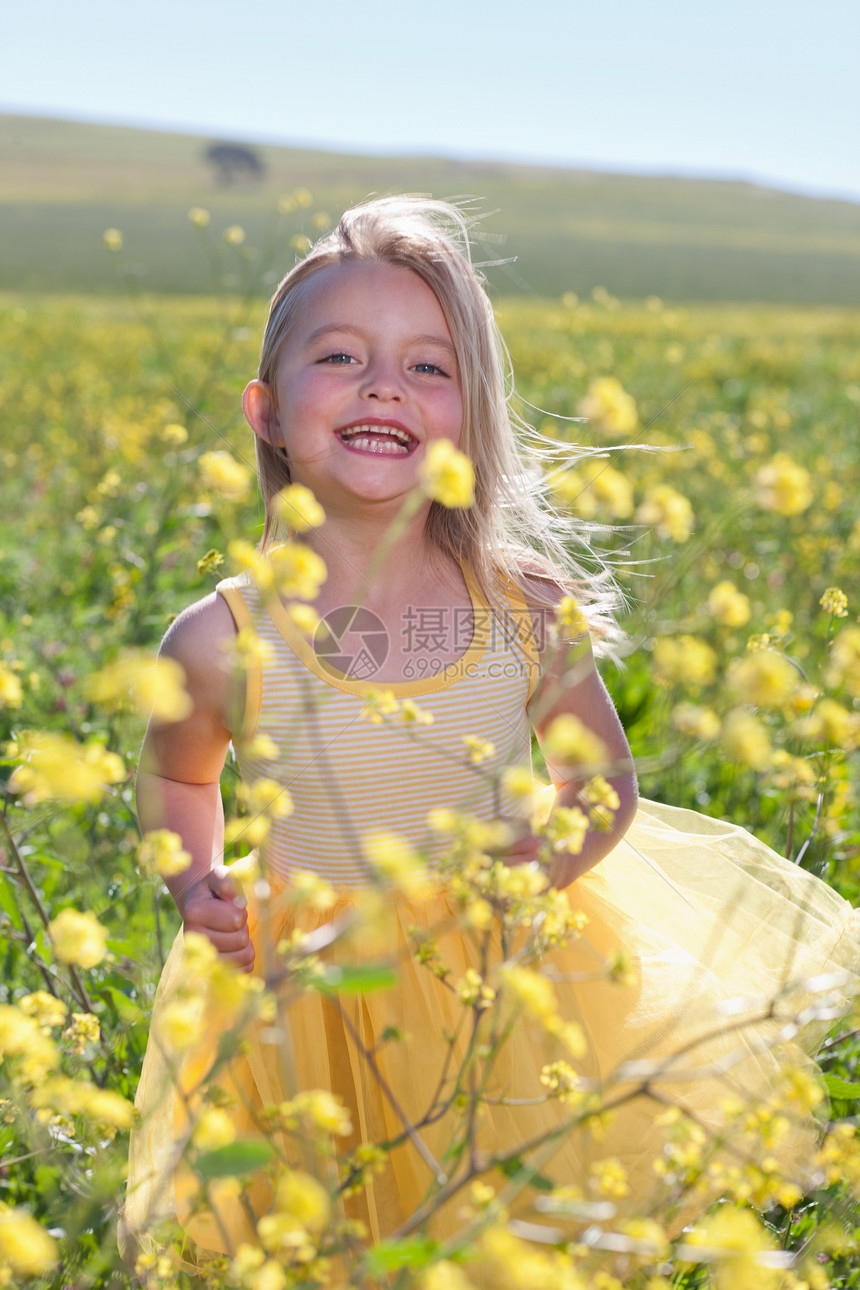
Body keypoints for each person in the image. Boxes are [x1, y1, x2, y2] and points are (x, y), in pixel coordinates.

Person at [121, 198, 859, 1271]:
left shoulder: (516, 607)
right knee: (322, 1223)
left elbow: (602, 779)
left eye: (428, 368)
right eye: (340, 357)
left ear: (470, 422)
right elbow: (176, 778)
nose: (383, 386)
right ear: (267, 412)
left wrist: (546, 860)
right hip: (301, 976)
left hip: (500, 958)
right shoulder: (222, 636)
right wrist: (194, 886)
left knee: (510, 1218)